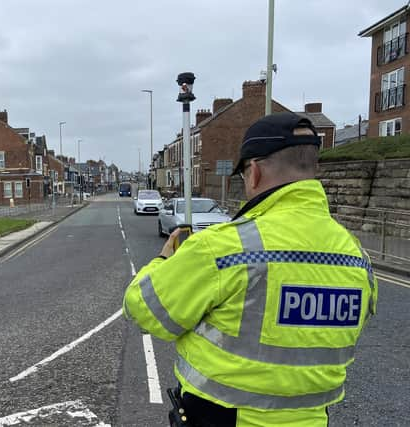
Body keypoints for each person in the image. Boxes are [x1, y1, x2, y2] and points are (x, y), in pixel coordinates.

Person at [122, 112, 378, 427]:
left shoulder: (225, 248)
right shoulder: (355, 256)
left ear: (253, 172)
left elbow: (144, 309)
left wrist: (163, 261)